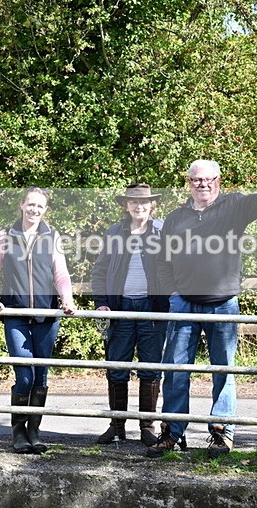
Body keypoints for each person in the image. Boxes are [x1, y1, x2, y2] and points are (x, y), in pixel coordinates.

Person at [148, 150, 257, 458]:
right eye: (196, 179)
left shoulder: (234, 207)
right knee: (176, 370)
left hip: (223, 304)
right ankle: (172, 431)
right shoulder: (175, 218)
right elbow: (163, 261)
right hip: (183, 305)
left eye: (208, 179)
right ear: (188, 183)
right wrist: (173, 294)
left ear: (218, 181)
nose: (202, 184)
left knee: (224, 371)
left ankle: (222, 433)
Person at [0, 186, 77, 455]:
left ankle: (34, 431)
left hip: (47, 316)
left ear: (45, 210)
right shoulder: (6, 236)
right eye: (31, 204)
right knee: (24, 377)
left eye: (40, 206)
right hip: (16, 316)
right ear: (22, 205)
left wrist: (67, 299)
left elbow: (61, 275)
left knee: (41, 378)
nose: (35, 210)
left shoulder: (52, 237)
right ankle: (18, 431)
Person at [91, 183, 168, 446]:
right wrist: (102, 303)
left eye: (144, 202)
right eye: (133, 202)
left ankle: (147, 426)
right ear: (126, 205)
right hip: (120, 308)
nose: (139, 206)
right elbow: (100, 270)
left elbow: (172, 268)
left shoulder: (161, 231)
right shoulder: (115, 232)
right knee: (117, 367)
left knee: (150, 367)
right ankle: (116, 425)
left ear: (151, 205)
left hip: (152, 308)